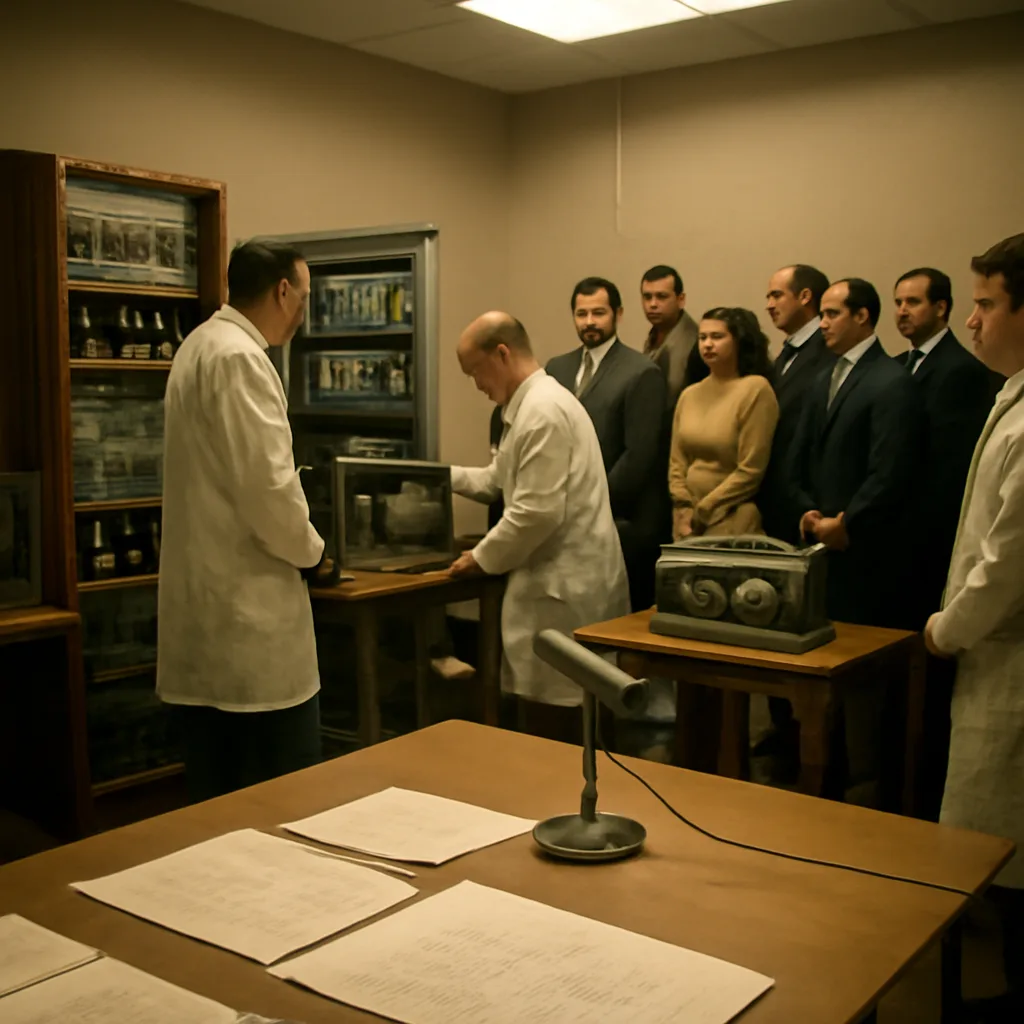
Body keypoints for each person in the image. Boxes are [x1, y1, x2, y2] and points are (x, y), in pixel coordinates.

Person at [158, 241, 333, 802]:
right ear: (283, 290)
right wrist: (316, 553)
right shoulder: (240, 357)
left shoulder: (200, 345)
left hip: (209, 614)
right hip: (249, 624)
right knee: (279, 801)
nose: (303, 311)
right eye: (303, 296)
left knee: (215, 801)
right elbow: (270, 492)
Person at [925, 233, 1024, 1022]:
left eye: (987, 304)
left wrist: (946, 629)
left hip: (1007, 657)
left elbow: (1004, 563)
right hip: (995, 652)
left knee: (1006, 866)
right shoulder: (1012, 395)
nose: (974, 322)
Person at [448, 312, 629, 742]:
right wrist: (435, 475)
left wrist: (479, 558)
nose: (476, 384)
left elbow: (535, 514)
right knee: (554, 711)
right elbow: (496, 480)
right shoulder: (531, 405)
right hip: (560, 583)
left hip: (564, 589)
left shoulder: (543, 411)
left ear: (502, 353)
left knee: (561, 722)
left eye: (475, 371)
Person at [788, 277, 924, 802]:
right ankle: (822, 776)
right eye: (820, 313)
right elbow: (797, 453)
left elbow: (890, 471)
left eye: (832, 313)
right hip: (816, 548)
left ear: (863, 318)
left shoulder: (891, 381)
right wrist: (803, 507)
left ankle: (864, 785)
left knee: (863, 685)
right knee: (819, 680)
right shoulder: (823, 375)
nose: (822, 323)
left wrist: (848, 522)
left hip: (864, 555)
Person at [893, 267, 1001, 820]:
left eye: (914, 302)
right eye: (899, 302)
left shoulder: (960, 371)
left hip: (942, 568)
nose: (904, 311)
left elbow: (945, 479)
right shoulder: (899, 368)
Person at [546, 277, 668, 610]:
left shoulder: (641, 371)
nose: (589, 322)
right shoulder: (557, 368)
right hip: (561, 516)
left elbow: (638, 456)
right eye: (581, 314)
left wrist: (590, 505)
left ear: (618, 314)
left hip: (617, 519)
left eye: (598, 313)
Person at [668, 307, 778, 540]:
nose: (708, 344)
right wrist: (683, 505)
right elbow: (677, 462)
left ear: (738, 341)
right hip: (686, 520)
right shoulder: (690, 394)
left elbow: (751, 469)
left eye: (717, 337)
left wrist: (706, 508)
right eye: (702, 337)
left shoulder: (755, 389)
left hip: (730, 515)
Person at [759, 264, 835, 543]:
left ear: (805, 296)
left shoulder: (829, 350)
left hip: (807, 498)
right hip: (777, 497)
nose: (769, 305)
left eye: (776, 295)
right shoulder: (785, 353)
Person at [641, 265, 699, 410]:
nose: (653, 304)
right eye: (647, 297)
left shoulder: (696, 342)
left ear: (681, 300)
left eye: (662, 296)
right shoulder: (653, 337)